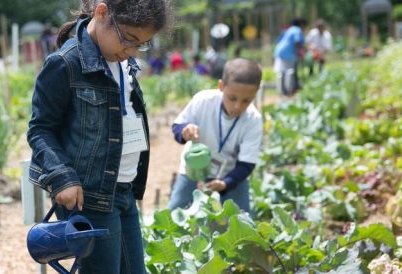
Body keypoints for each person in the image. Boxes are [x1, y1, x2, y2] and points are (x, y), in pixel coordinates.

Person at [27, 0, 171, 273]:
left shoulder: (123, 63)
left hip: (124, 192)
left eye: (140, 44)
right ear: (102, 12)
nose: (130, 50)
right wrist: (62, 177)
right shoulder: (65, 63)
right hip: (89, 197)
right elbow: (40, 129)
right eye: (128, 39)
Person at [166, 58, 263, 215]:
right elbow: (177, 127)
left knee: (243, 222)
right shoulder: (203, 101)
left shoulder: (253, 120)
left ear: (255, 93)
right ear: (220, 86)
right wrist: (185, 131)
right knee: (174, 215)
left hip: (230, 175)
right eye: (232, 98)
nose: (237, 106)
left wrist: (226, 183)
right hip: (194, 170)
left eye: (246, 100)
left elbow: (246, 164)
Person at [273, 18, 307, 95]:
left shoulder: (290, 29)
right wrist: (302, 52)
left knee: (281, 72)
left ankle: (282, 90)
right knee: (289, 72)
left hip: (280, 51)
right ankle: (288, 91)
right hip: (288, 53)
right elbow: (297, 42)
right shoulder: (297, 30)